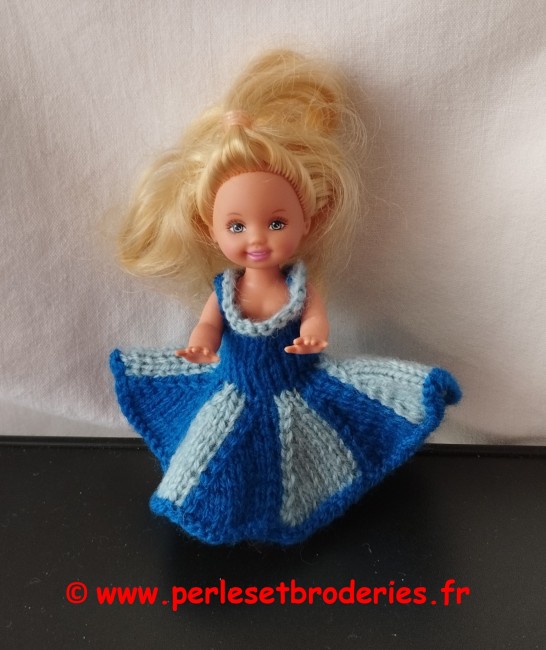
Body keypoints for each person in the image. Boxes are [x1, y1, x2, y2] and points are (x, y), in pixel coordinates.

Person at [110, 50, 460, 545]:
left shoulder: (300, 285)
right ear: (208, 230)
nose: (257, 238)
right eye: (236, 226)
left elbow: (314, 318)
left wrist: (314, 334)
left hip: (299, 384)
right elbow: (210, 323)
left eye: (276, 222)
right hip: (232, 385)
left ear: (309, 219)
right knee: (216, 454)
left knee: (301, 457)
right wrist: (202, 342)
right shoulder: (225, 287)